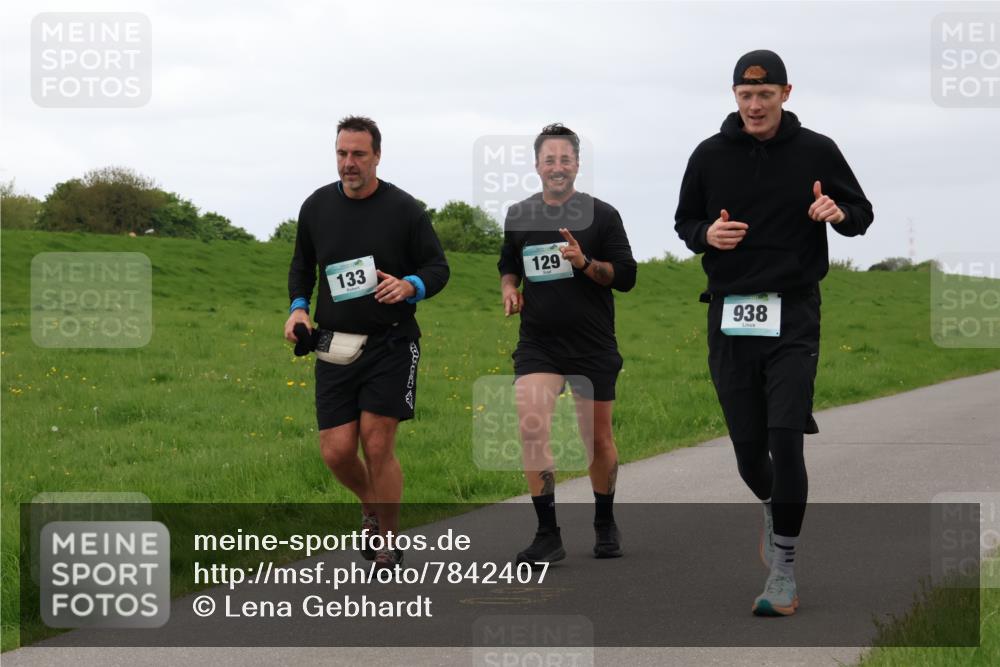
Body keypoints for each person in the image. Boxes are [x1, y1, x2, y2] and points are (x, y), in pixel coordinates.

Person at [675, 51, 873, 615]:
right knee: (748, 453)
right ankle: (773, 505)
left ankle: (783, 571)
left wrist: (838, 212)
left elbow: (861, 213)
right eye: (746, 95)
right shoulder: (708, 155)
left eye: (765, 95)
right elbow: (685, 221)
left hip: (793, 313)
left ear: (786, 93)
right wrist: (707, 235)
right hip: (730, 314)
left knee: (785, 438)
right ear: (734, 96)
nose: (755, 105)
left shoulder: (817, 151)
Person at [285, 116, 449, 568]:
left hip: (391, 343)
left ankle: (388, 541)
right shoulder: (316, 206)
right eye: (342, 153)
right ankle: (371, 505)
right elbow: (302, 266)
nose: (349, 163)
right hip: (334, 344)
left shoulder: (404, 209)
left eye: (358, 154)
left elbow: (438, 267)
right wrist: (298, 308)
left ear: (377, 156)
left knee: (377, 445)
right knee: (337, 452)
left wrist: (411, 284)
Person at [498, 123, 637, 565]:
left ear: (577, 164)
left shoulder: (603, 215)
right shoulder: (519, 215)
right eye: (549, 159)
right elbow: (508, 263)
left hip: (592, 346)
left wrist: (585, 262)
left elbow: (626, 277)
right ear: (537, 165)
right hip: (539, 344)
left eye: (565, 159)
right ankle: (547, 534)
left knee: (595, 438)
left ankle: (604, 521)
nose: (557, 167)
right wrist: (509, 288)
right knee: (530, 424)